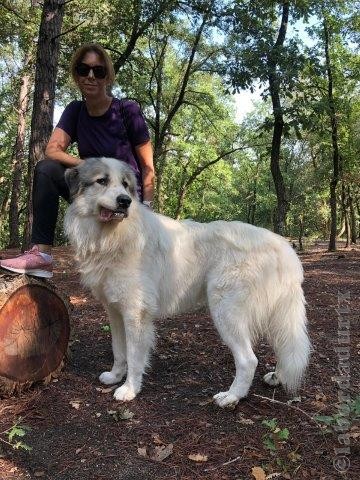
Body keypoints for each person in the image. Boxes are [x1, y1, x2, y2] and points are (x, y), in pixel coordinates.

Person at [1, 43, 155, 278]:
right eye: (84, 70)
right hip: (94, 190)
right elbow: (52, 150)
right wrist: (86, 166)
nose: (91, 76)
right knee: (46, 169)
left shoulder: (127, 111)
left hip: (125, 198)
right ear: (77, 75)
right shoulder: (75, 110)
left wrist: (146, 210)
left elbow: (147, 168)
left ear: (107, 77)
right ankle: (41, 255)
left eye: (98, 71)